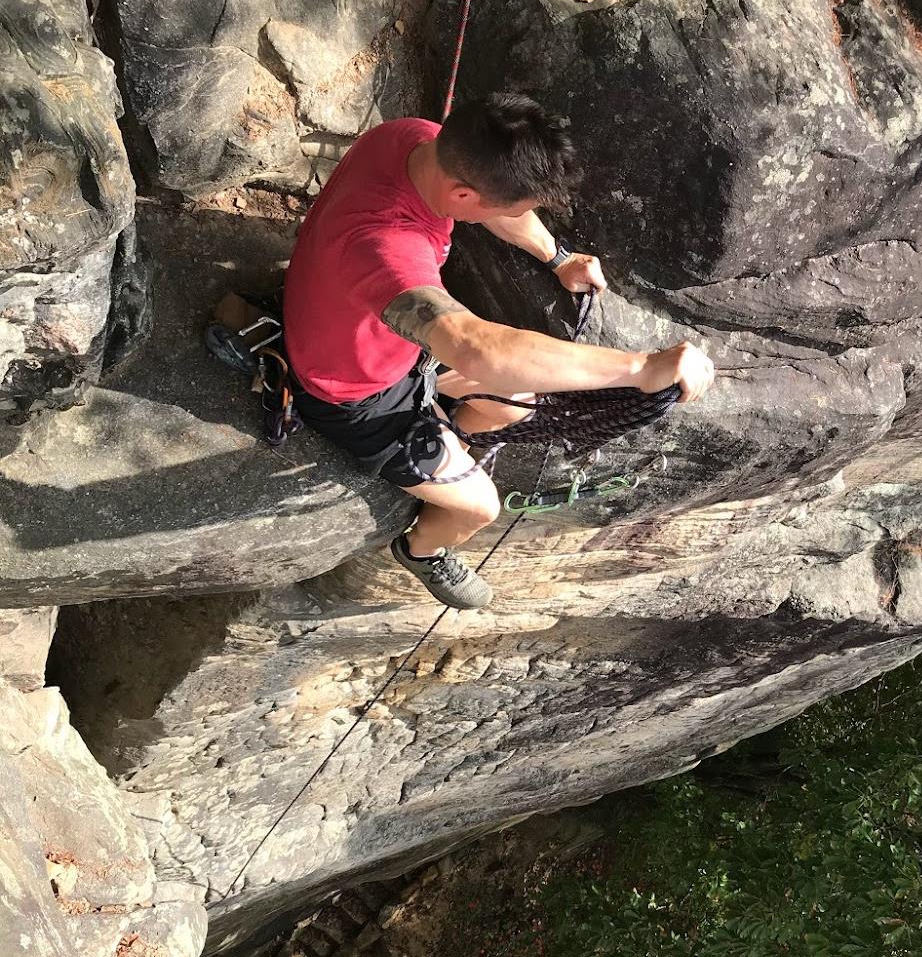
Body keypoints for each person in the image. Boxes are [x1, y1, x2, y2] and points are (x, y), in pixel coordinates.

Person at [282, 92, 714, 610]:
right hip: (352, 389)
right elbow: (474, 348)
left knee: (512, 400)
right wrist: (639, 367)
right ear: (463, 196)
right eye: (517, 207)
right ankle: (421, 549)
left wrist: (557, 257)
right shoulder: (381, 245)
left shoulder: (421, 140)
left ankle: (443, 439)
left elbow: (491, 209)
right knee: (479, 509)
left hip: (385, 344)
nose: (518, 215)